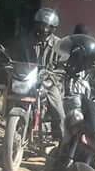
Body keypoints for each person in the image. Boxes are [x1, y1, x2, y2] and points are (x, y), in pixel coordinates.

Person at [14, 7, 65, 139]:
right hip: (28, 79)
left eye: (47, 26)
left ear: (53, 28)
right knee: (12, 97)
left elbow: (62, 68)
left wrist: (52, 76)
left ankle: (62, 140)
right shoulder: (27, 41)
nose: (43, 29)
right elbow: (18, 59)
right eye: (41, 25)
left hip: (48, 82)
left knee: (59, 111)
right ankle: (12, 126)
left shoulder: (59, 45)